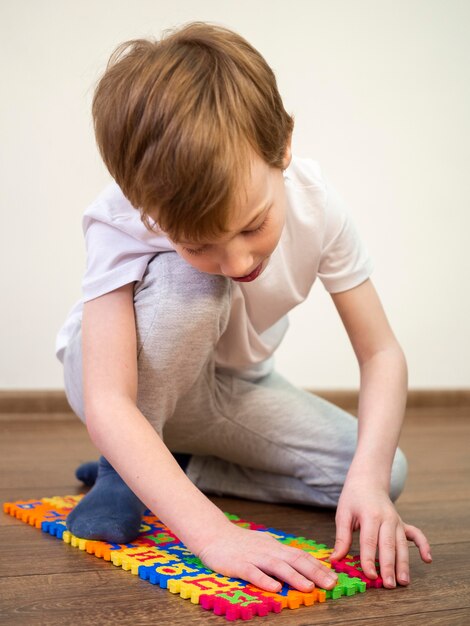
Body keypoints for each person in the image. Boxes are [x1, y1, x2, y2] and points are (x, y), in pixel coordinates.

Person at [56, 21, 432, 595]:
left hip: (227, 391)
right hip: (122, 390)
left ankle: (175, 468)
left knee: (382, 468)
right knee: (195, 286)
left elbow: (381, 353)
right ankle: (122, 474)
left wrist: (370, 482)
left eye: (253, 225)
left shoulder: (318, 205)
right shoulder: (120, 218)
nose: (234, 262)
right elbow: (108, 400)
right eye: (197, 242)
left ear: (283, 147)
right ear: (143, 204)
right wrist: (212, 534)